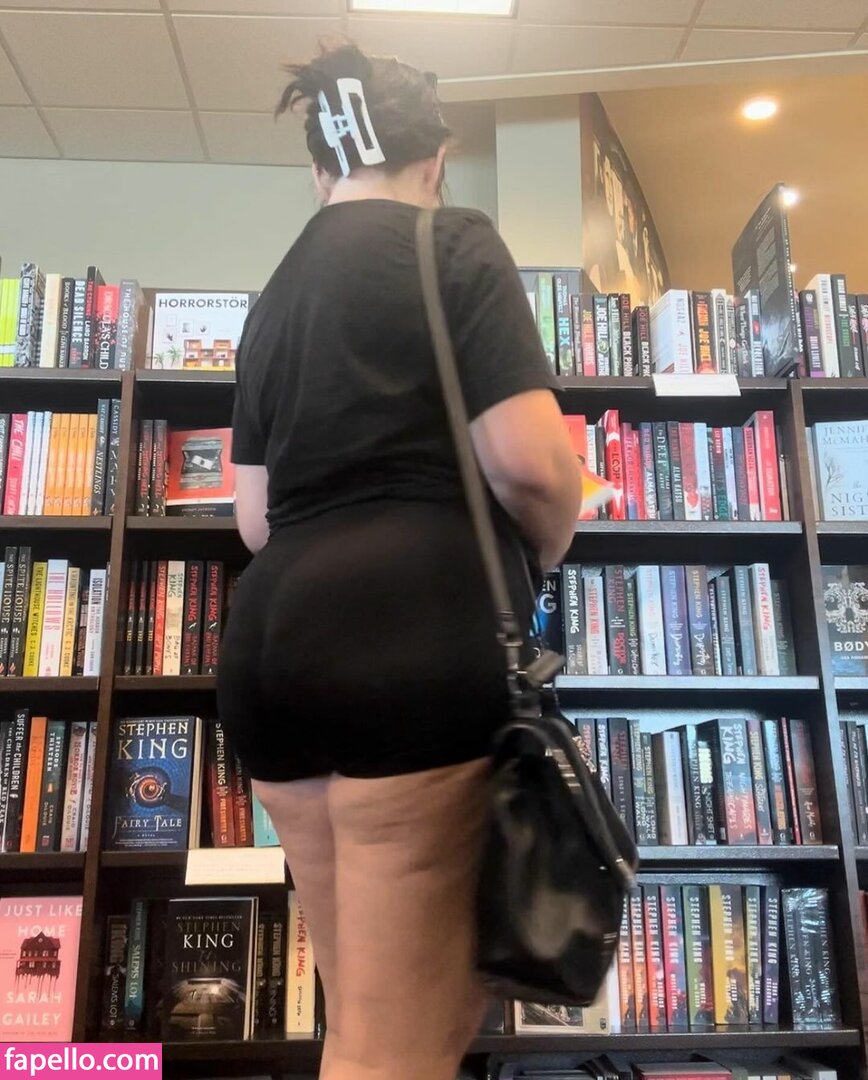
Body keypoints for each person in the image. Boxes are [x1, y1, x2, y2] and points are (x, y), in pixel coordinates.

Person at [217, 42, 583, 1080]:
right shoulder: (454, 242)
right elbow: (529, 466)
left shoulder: (270, 301)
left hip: (273, 649)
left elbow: (255, 518)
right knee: (405, 1046)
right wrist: (544, 551)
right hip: (414, 637)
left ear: (319, 167)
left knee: (361, 1024)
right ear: (436, 158)